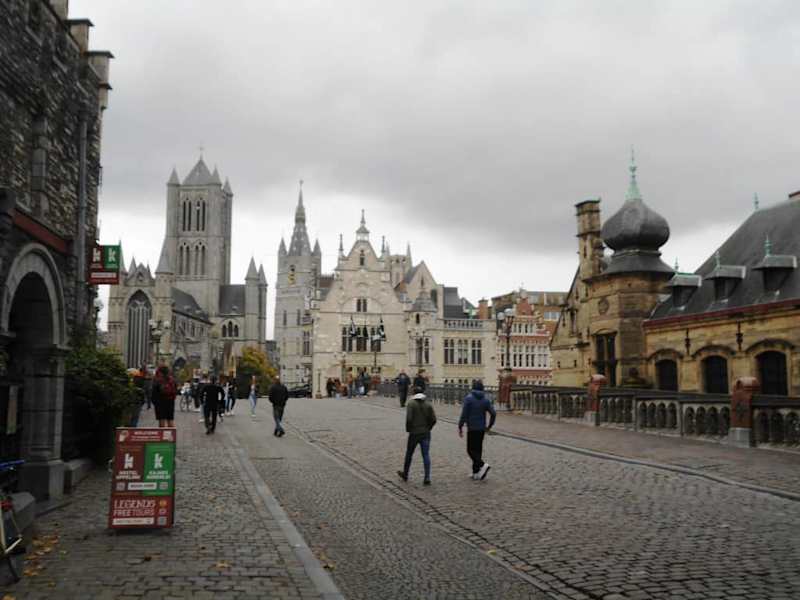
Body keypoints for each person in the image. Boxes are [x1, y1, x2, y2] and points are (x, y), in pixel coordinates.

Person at [397, 385, 436, 486]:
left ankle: (405, 473)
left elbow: (409, 419)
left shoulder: (411, 403)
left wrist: (409, 429)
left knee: (409, 454)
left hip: (414, 433)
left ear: (414, 393)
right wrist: (429, 427)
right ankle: (427, 477)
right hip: (425, 433)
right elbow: (434, 419)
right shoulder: (428, 404)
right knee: (426, 455)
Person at [458, 380, 496, 480]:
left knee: (470, 450)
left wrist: (460, 426)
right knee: (477, 450)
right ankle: (476, 472)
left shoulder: (469, 398)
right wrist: (489, 426)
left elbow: (464, 414)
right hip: (481, 428)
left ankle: (483, 465)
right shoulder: (485, 400)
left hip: (472, 428)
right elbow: (493, 413)